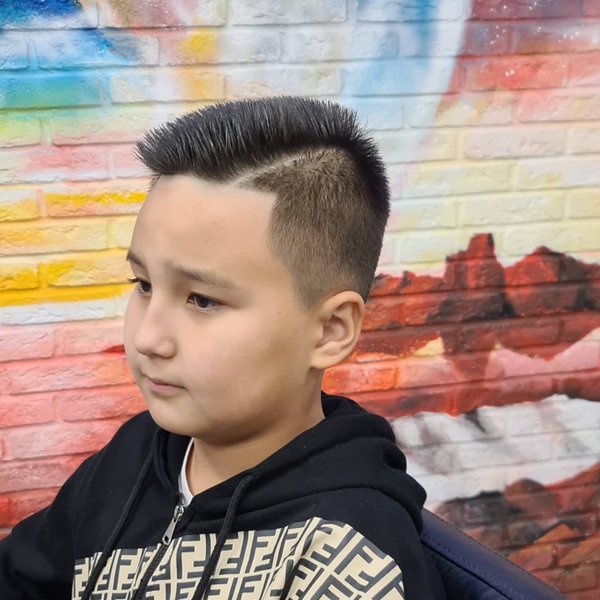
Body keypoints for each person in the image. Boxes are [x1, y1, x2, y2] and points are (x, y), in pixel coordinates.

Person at [0, 96, 446, 599]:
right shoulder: (139, 452)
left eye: (203, 300)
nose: (147, 338)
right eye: (143, 284)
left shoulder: (346, 564)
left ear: (330, 330)